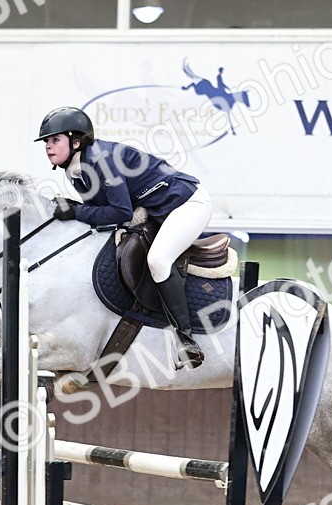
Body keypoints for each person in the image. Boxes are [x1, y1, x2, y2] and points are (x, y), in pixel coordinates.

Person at [34, 106, 211, 369]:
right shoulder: (75, 170)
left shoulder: (101, 161)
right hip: (156, 210)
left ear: (76, 141)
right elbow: (102, 213)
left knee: (159, 260)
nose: (48, 147)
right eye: (46, 142)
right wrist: (75, 210)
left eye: (55, 140)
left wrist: (75, 211)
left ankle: (186, 340)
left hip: (186, 204)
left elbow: (120, 211)